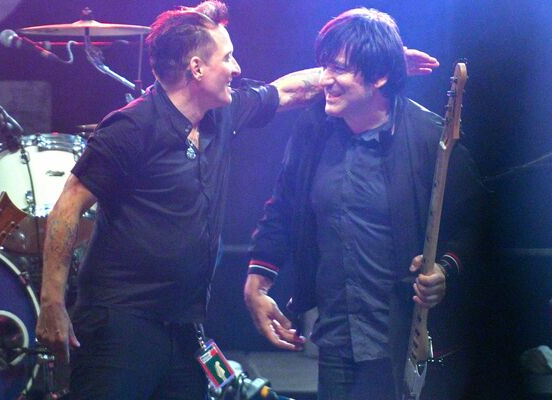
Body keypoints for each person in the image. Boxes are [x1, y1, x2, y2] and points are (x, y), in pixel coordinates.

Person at [36, 2, 439, 399]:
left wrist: (375, 64)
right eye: (227, 57)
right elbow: (67, 206)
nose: (237, 68)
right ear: (197, 68)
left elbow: (290, 90)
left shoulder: (222, 113)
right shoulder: (131, 127)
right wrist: (52, 302)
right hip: (120, 326)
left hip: (185, 327)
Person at [243, 8, 484, 400]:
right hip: (337, 339)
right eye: (324, 66)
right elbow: (283, 210)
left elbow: (477, 222)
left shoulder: (430, 139)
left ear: (380, 77)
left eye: (338, 69)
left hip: (405, 343)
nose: (325, 81)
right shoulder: (314, 130)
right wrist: (258, 280)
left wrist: (445, 269)